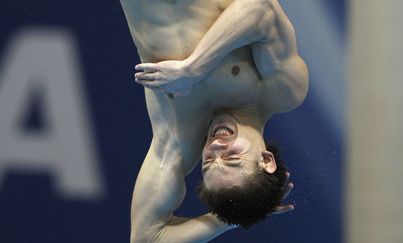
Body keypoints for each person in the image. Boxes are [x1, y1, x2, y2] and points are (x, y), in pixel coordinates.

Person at [120, 0, 308, 242]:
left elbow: (147, 238)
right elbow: (262, 10)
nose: (216, 148)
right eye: (232, 158)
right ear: (266, 159)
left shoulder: (177, 141)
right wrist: (192, 69)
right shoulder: (280, 92)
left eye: (208, 161)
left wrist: (236, 215)